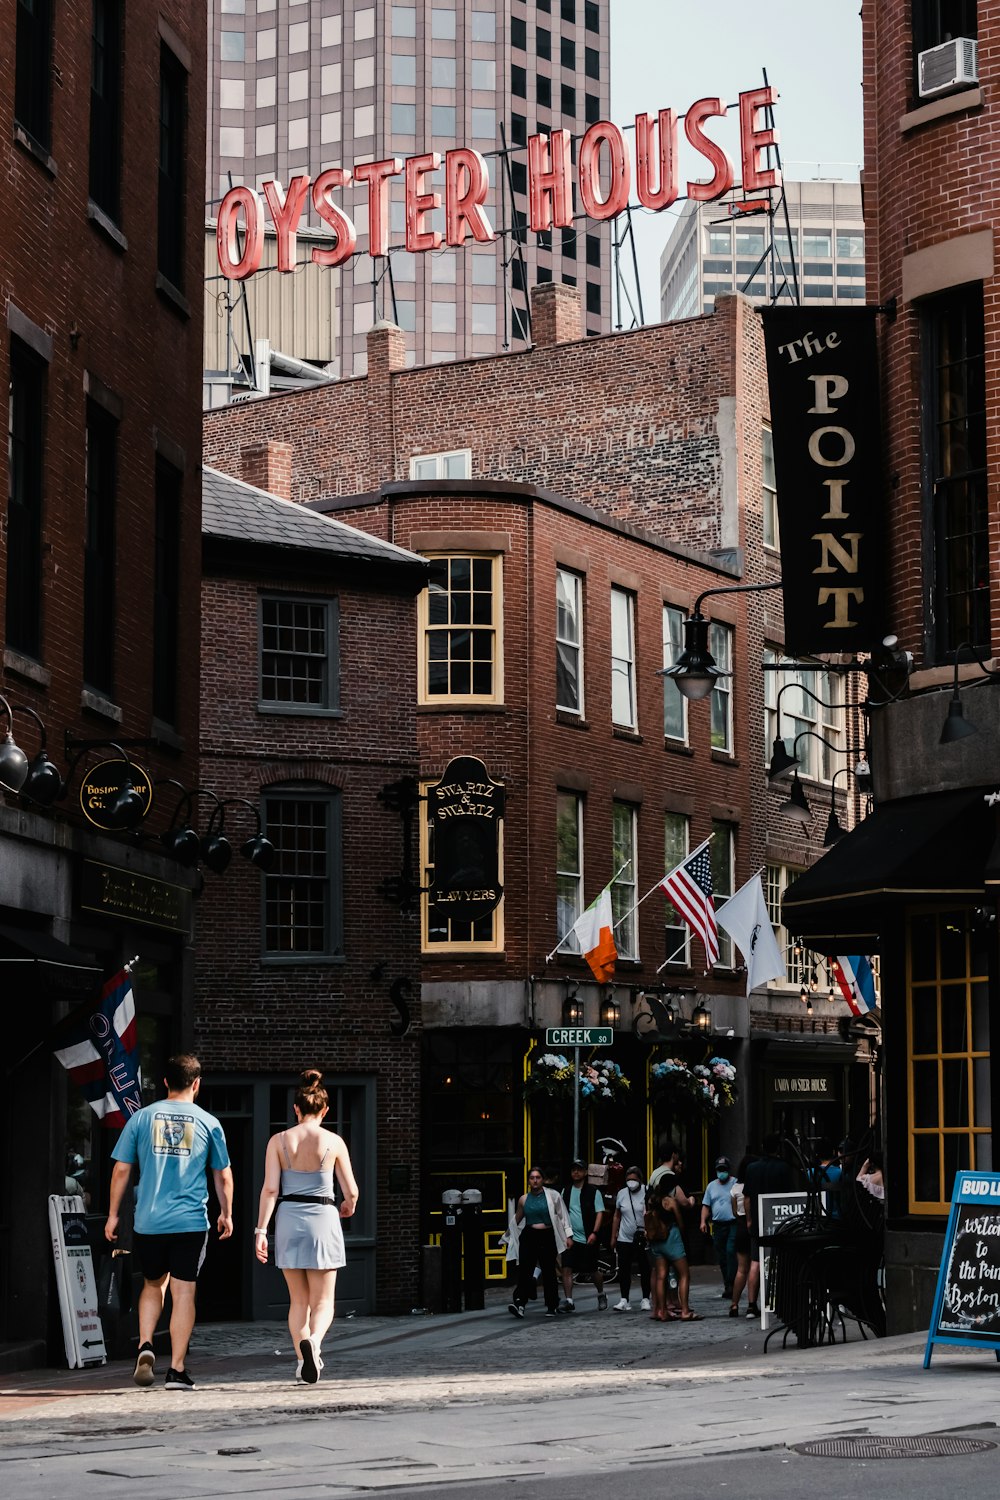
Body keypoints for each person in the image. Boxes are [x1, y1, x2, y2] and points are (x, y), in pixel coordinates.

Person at [105, 1053, 233, 1390]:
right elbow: (223, 1176)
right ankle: (176, 1369)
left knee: (151, 1284)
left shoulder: (141, 1118)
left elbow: (121, 1169)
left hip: (149, 1222)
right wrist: (226, 1213)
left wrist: (114, 1214)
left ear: (165, 1082)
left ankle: (145, 1343)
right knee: (183, 1292)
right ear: (197, 1083)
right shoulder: (209, 1123)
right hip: (190, 1223)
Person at [254, 1069, 359, 1384]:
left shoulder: (279, 1141)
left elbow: (270, 1189)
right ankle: (314, 1343)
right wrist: (348, 1205)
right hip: (323, 1217)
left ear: (296, 1109)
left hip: (288, 1219)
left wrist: (261, 1231)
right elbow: (351, 1190)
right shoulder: (334, 1141)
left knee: (297, 1301)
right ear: (325, 1110)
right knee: (324, 1300)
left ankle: (302, 1363)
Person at [742, 1133, 796, 1319]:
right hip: (780, 1221)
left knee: (756, 1261)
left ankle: (751, 1304)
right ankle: (779, 1301)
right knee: (781, 1261)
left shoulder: (752, 1168)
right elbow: (790, 1197)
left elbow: (747, 1197)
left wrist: (749, 1219)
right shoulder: (784, 1168)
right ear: (778, 1148)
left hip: (759, 1220)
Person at [508, 1166, 573, 1318]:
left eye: (538, 1177)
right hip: (529, 1235)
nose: (535, 1180)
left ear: (542, 1180)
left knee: (548, 1270)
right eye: (532, 1178)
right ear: (529, 1181)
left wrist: (568, 1236)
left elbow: (563, 1215)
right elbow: (516, 1219)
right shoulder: (524, 1199)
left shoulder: (553, 1195)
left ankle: (551, 1305)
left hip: (547, 1235)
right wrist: (508, 1236)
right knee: (525, 1270)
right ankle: (520, 1304)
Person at [644, 1177, 700, 1321]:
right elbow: (680, 1223)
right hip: (672, 1239)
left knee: (661, 1276)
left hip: (657, 1242)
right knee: (684, 1274)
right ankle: (685, 1311)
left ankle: (662, 1311)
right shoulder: (670, 1202)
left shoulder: (652, 1201)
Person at [559, 1159, 608, 1312]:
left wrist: (594, 1232)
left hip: (588, 1237)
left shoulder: (594, 1192)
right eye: (573, 1169)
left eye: (579, 1169)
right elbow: (560, 1214)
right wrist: (565, 1234)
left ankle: (601, 1294)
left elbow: (599, 1213)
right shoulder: (565, 1191)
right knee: (566, 1268)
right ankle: (569, 1300)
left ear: (585, 1172)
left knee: (593, 1270)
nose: (576, 1172)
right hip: (570, 1238)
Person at [610, 1165, 650, 1311]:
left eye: (634, 1179)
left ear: (640, 1179)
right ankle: (624, 1299)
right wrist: (613, 1235)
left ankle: (646, 1298)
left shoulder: (647, 1192)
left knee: (645, 1268)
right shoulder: (622, 1193)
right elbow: (617, 1215)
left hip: (643, 1237)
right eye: (628, 1180)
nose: (631, 1182)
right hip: (624, 1237)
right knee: (624, 1269)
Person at [700, 1156, 738, 1301]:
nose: (721, 1172)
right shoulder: (711, 1186)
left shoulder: (735, 1183)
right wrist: (703, 1221)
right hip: (718, 1225)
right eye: (719, 1170)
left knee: (730, 1251)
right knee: (721, 1255)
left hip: (732, 1223)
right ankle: (728, 1284)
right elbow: (706, 1205)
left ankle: (732, 1282)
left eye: (723, 1169)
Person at [728, 1155, 754, 1317]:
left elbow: (734, 1212)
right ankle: (752, 1305)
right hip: (752, 1225)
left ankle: (734, 1304)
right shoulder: (753, 1186)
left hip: (740, 1226)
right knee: (755, 1267)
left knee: (741, 1269)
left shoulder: (735, 1188)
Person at [808, 1138, 844, 1218]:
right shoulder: (840, 1172)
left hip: (816, 1217)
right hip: (837, 1219)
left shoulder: (810, 1173)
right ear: (833, 1152)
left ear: (816, 1154)